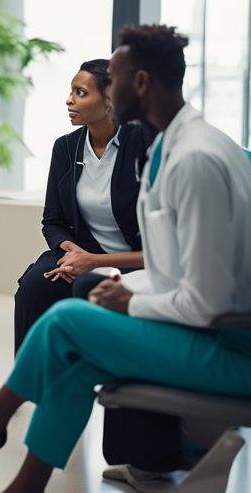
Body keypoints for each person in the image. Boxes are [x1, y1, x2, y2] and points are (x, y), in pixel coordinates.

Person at [0, 24, 251, 493]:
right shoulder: (172, 148)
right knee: (75, 352)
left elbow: (207, 302)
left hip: (237, 352)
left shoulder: (197, 160)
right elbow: (175, 270)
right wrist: (125, 290)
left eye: (110, 80)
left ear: (139, 83)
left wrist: (128, 301)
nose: (104, 92)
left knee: (71, 318)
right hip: (210, 331)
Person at [13, 59, 155, 354]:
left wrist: (93, 262)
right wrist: (72, 253)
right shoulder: (65, 148)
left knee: (89, 287)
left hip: (135, 263)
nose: (69, 99)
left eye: (80, 92)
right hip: (80, 252)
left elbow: (160, 249)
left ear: (109, 102)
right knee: (35, 285)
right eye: (71, 91)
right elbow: (52, 220)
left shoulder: (144, 145)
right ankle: (32, 380)